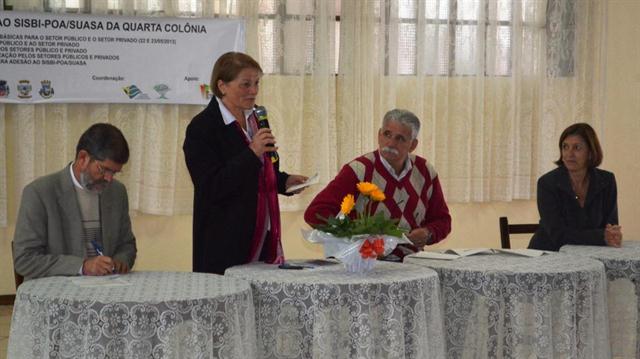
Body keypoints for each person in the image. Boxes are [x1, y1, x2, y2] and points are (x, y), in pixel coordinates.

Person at [183, 52, 307, 275]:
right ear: (222, 86)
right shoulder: (202, 128)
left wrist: (285, 181)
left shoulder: (256, 119)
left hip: (262, 235)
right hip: (224, 243)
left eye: (256, 83)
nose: (253, 91)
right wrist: (252, 152)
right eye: (245, 84)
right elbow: (212, 186)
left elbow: (262, 171)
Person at [304, 109, 452, 261]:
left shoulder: (425, 171)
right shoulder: (359, 170)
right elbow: (315, 213)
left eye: (400, 138)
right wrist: (356, 236)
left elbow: (443, 220)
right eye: (387, 134)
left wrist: (428, 233)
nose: (391, 143)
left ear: (413, 145)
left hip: (410, 265)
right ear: (379, 135)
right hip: (364, 264)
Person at [13, 123, 137, 279]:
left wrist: (121, 260)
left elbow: (127, 244)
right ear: (83, 158)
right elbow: (25, 259)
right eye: (104, 169)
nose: (109, 178)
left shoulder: (117, 192)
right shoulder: (39, 193)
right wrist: (83, 266)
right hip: (57, 293)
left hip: (106, 292)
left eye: (115, 172)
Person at [528, 123, 622, 251]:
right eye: (565, 147)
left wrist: (612, 235)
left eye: (577, 148)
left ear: (590, 152)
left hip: (591, 254)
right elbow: (558, 235)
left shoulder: (606, 181)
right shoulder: (547, 183)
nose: (569, 154)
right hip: (548, 254)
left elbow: (611, 227)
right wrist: (600, 236)